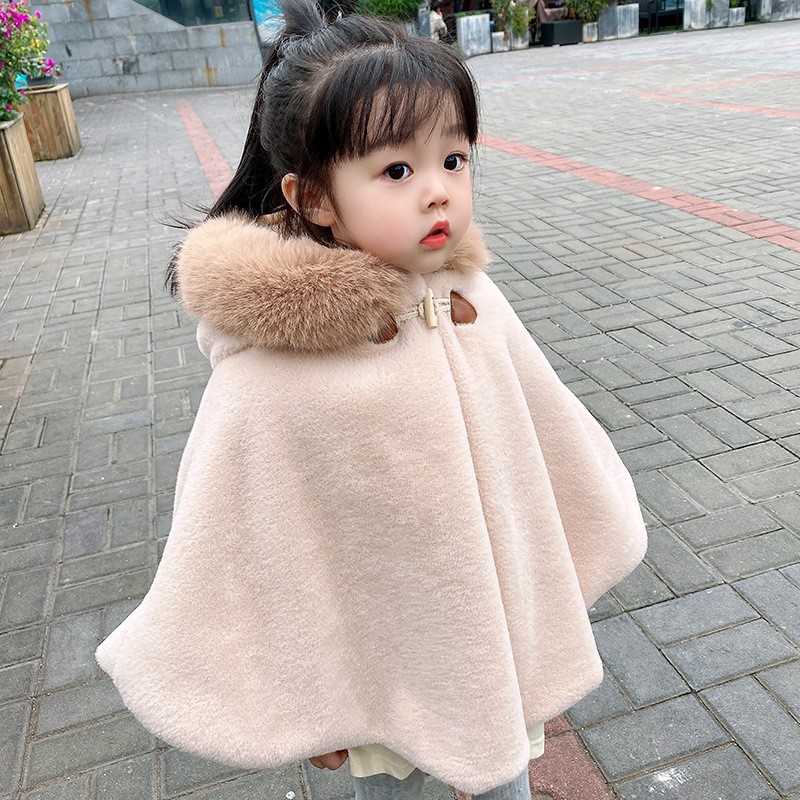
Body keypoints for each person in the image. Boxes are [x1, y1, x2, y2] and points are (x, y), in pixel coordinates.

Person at [95, 1, 647, 798]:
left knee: (504, 779)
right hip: (378, 673)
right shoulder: (273, 374)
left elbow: (543, 447)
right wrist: (312, 701)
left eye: (453, 159)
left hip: (487, 651)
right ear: (315, 199)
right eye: (396, 171)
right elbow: (250, 541)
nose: (438, 193)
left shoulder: (472, 300)